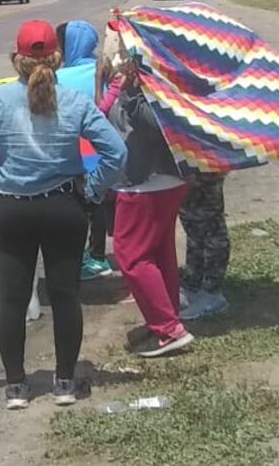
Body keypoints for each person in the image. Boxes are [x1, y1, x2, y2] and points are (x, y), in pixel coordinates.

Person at [0, 21, 127, 410]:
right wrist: (92, 188)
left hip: (12, 210)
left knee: (13, 298)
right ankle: (65, 383)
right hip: (63, 208)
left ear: (15, 60)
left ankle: (16, 387)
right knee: (66, 296)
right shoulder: (76, 101)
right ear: (58, 58)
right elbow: (117, 153)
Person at [106, 61, 195, 358]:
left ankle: (169, 328)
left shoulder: (153, 90)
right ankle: (165, 320)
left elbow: (156, 125)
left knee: (131, 255)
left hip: (148, 183)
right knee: (159, 253)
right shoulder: (161, 83)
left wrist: (132, 92)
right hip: (161, 180)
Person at [55, 21, 114, 282]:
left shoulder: (63, 77)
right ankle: (98, 254)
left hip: (74, 152)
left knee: (80, 205)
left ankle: (88, 257)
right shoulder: (102, 70)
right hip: (103, 150)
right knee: (97, 203)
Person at [179, 172, 231, 320]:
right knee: (192, 227)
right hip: (184, 160)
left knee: (212, 229)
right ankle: (193, 284)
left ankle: (212, 293)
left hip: (205, 162)